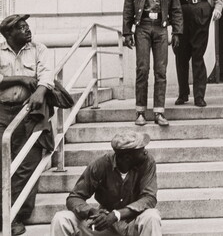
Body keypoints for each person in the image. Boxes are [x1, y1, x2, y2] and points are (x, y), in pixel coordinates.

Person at [0, 14, 54, 235]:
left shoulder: (38, 49)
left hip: (28, 113)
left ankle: (16, 216)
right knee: (3, 163)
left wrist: (40, 91)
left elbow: (47, 74)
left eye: (27, 26)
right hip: (2, 112)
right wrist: (20, 79)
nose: (27, 30)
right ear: (9, 34)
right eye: (21, 28)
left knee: (27, 164)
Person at [50, 131, 161, 236]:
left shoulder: (148, 162)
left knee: (152, 216)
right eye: (141, 150)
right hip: (102, 227)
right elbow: (74, 197)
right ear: (128, 157)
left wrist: (116, 215)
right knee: (61, 218)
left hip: (132, 224)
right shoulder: (100, 165)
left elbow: (149, 198)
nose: (145, 152)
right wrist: (92, 212)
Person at [123, 0, 183, 127]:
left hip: (161, 28)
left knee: (161, 71)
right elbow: (128, 8)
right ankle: (140, 112)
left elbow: (176, 10)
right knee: (142, 69)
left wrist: (177, 32)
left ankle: (159, 112)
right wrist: (127, 32)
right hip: (142, 27)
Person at [168, 0, 223, 108]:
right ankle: (183, 93)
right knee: (181, 55)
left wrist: (218, 8)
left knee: (198, 55)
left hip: (201, 12)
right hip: (180, 12)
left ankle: (199, 96)